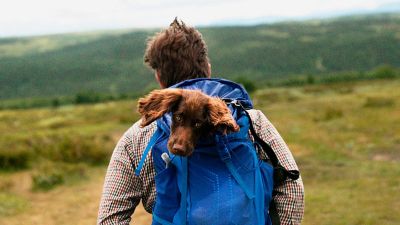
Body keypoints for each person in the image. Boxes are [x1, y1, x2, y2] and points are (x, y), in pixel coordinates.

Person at [97, 18, 304, 225]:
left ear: (159, 78)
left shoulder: (136, 137)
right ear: (208, 69)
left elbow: (110, 218)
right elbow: (293, 190)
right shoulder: (249, 120)